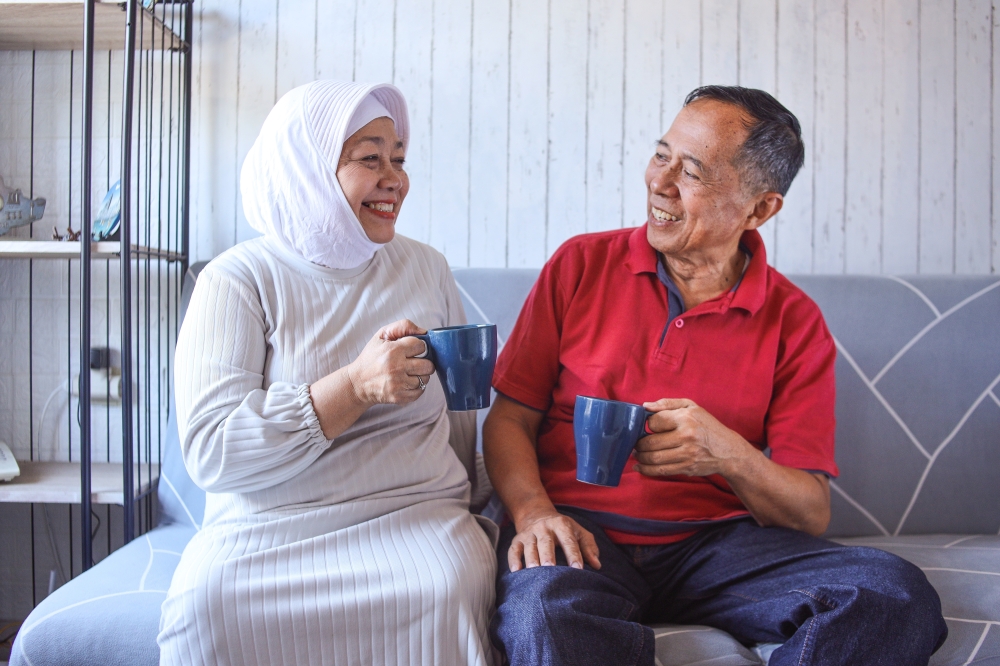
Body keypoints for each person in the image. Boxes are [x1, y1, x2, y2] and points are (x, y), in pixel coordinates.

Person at [483, 85, 947, 665]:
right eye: (661, 155)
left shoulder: (794, 319)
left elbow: (809, 511)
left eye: (693, 172)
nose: (660, 181)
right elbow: (510, 417)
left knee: (892, 593)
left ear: (759, 209)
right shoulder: (580, 265)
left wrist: (727, 452)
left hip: (715, 547)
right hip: (580, 532)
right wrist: (533, 514)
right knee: (544, 613)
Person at [158, 80, 498, 666]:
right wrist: (355, 387)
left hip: (414, 516)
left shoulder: (426, 267)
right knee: (207, 601)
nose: (395, 178)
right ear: (307, 167)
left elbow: (462, 422)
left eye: (398, 159)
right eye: (370, 158)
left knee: (446, 586)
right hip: (266, 530)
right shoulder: (238, 279)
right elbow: (212, 449)